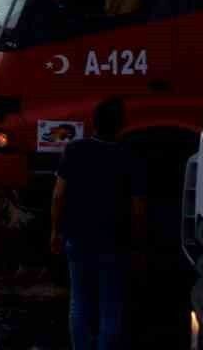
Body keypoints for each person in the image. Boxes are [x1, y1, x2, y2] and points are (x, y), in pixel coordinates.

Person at [51, 98, 148, 350]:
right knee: (110, 307)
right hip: (115, 243)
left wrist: (55, 232)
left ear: (93, 123)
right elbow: (138, 208)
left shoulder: (75, 150)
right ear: (121, 125)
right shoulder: (130, 156)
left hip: (78, 238)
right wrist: (138, 245)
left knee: (79, 302)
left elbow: (58, 196)